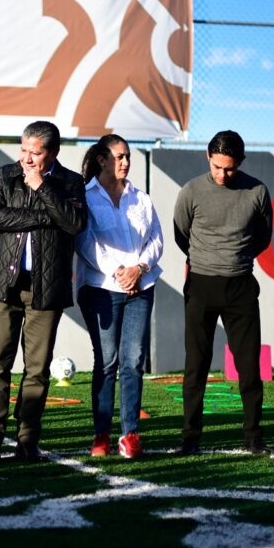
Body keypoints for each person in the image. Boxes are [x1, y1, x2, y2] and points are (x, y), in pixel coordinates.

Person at [0, 120, 86, 463]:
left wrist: (42, 189)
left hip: (47, 287)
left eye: (34, 153)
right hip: (4, 284)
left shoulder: (71, 182)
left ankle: (27, 441)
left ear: (52, 153)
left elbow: (74, 223)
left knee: (36, 369)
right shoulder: (4, 174)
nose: (26, 159)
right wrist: (42, 216)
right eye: (23, 150)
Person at [172, 130, 273, 455]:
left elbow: (262, 238)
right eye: (216, 167)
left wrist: (235, 259)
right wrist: (208, 258)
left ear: (240, 163)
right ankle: (190, 437)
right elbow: (180, 234)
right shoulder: (191, 191)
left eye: (229, 168)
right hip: (200, 284)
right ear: (208, 157)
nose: (222, 174)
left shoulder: (257, 190)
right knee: (196, 365)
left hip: (240, 285)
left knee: (248, 367)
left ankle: (253, 436)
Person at [75, 135, 163, 459]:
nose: (125, 163)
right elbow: (85, 243)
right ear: (102, 160)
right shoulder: (85, 196)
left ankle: (130, 435)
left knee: (133, 360)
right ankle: (101, 435)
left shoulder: (141, 198)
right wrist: (120, 272)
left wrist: (139, 267)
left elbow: (156, 238)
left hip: (141, 286)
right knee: (107, 360)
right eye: (119, 157)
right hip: (101, 288)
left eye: (128, 157)